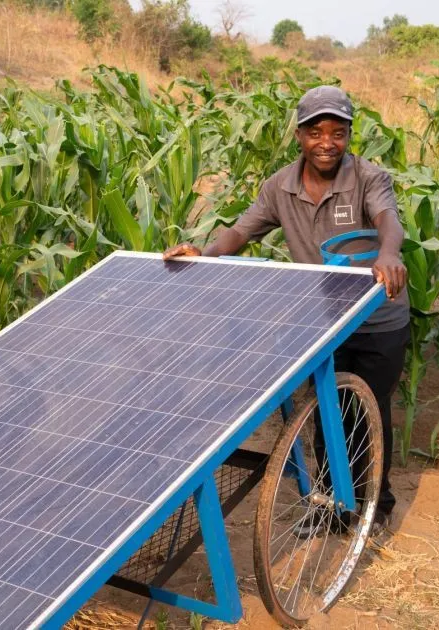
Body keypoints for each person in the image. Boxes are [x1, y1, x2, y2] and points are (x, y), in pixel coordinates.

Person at [162, 85, 409, 535]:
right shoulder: (279, 186)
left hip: (377, 318)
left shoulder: (370, 178)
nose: (327, 143)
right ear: (299, 135)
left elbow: (387, 220)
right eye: (316, 132)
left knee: (368, 410)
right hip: (323, 320)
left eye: (338, 132)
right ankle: (332, 506)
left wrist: (388, 254)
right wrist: (208, 255)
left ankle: (376, 504)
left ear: (350, 135)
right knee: (325, 408)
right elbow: (243, 231)